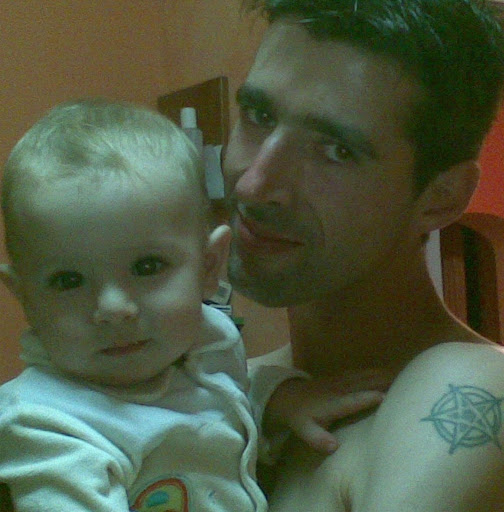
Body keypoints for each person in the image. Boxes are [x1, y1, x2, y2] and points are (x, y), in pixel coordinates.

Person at [0, 98, 382, 512]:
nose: (113, 308)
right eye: (68, 280)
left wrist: (282, 402)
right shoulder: (47, 427)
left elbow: (227, 392)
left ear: (210, 266)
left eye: (147, 266)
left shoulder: (206, 341)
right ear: (24, 296)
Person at [223, 0, 504, 509]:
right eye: (259, 116)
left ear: (442, 197)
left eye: (336, 150)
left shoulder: (472, 388)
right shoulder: (232, 391)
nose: (254, 184)